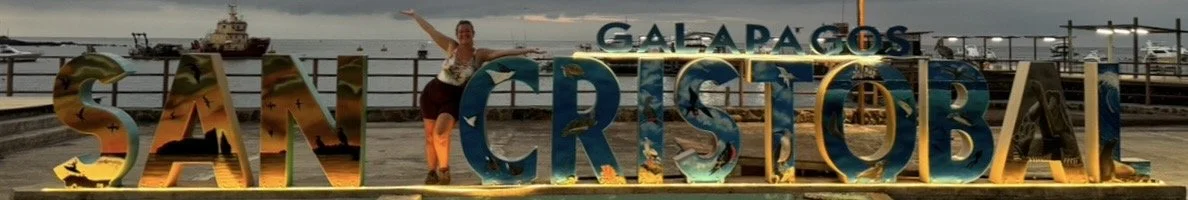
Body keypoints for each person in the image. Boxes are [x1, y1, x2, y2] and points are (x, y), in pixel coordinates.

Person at [401, 8, 546, 185]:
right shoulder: (451, 46)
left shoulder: (479, 54)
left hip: (453, 99)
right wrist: (415, 15)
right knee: (430, 137)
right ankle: (432, 172)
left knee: (440, 133)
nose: (464, 34)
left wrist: (527, 50)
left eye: (467, 31)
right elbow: (431, 30)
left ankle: (444, 171)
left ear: (473, 34)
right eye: (461, 32)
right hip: (431, 93)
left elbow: (499, 53)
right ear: (457, 34)